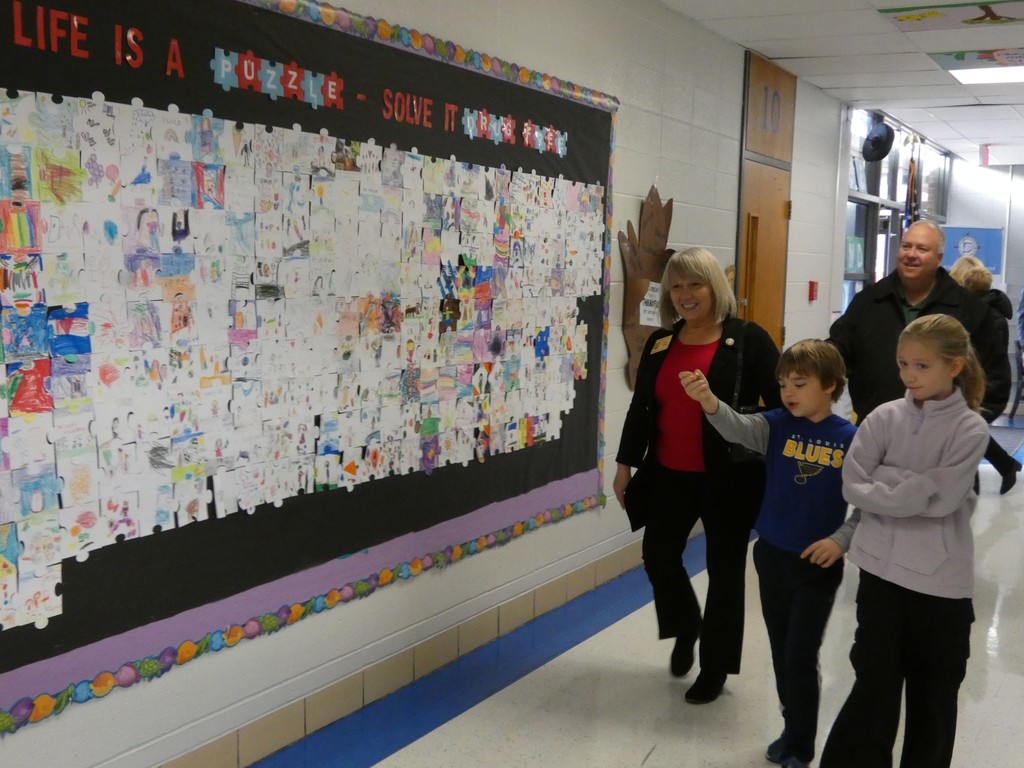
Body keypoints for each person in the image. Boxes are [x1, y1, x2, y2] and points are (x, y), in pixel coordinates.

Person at [613, 247, 781, 704]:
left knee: (726, 574)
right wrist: (625, 464)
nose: (685, 295)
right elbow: (641, 409)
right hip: (669, 473)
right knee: (658, 555)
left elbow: (781, 408)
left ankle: (715, 667)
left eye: (695, 284)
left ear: (714, 288)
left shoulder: (748, 339)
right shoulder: (661, 343)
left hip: (729, 477)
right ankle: (687, 625)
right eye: (677, 286)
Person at [820, 314, 989, 768]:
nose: (909, 376)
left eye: (922, 366)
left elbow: (944, 499)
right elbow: (852, 485)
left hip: (940, 588)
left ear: (955, 367)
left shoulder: (970, 429)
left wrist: (887, 483)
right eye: (902, 364)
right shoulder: (883, 417)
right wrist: (913, 486)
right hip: (880, 576)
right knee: (874, 685)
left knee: (933, 698)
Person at [681, 340, 858, 768]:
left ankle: (801, 744)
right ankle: (791, 723)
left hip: (817, 566)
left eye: (800, 383)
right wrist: (708, 401)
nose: (789, 392)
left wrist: (841, 539)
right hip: (772, 557)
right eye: (783, 384)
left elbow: (867, 506)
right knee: (781, 652)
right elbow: (737, 427)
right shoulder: (776, 424)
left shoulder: (850, 438)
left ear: (831, 386)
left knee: (800, 653)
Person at [829, 219, 1009, 422]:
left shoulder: (969, 310)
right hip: (874, 432)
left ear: (939, 258)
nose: (911, 254)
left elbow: (995, 380)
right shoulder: (868, 302)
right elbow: (836, 355)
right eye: (906, 246)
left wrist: (966, 426)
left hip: (943, 441)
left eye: (922, 249)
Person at [949, 255, 1022, 492]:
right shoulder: (985, 313)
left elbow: (979, 363)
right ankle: (1003, 467)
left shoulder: (983, 317)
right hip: (980, 386)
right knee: (965, 431)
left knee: (963, 430)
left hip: (988, 389)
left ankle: (975, 483)